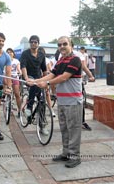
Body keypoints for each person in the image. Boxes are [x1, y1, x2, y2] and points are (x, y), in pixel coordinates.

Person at [27, 36, 83, 168]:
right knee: (64, 129)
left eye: (65, 44)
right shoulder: (60, 61)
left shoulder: (75, 59)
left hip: (73, 101)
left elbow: (63, 77)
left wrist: (46, 83)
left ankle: (75, 156)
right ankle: (66, 153)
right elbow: (51, 75)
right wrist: (34, 81)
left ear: (71, 45)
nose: (62, 46)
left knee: (73, 129)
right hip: (62, 101)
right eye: (59, 44)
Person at [20, 35, 47, 123]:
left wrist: (45, 81)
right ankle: (29, 107)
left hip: (38, 78)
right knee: (33, 86)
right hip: (28, 77)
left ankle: (42, 122)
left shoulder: (41, 55)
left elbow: (44, 69)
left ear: (38, 44)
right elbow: (23, 66)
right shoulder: (25, 53)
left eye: (35, 42)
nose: (33, 44)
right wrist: (27, 78)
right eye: (31, 42)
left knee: (42, 100)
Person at [6, 48, 22, 118]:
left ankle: (19, 110)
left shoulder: (16, 61)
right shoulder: (5, 60)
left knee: (17, 94)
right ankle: (7, 102)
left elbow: (18, 69)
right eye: (8, 52)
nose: (9, 53)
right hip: (7, 78)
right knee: (6, 92)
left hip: (15, 77)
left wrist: (20, 72)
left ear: (13, 53)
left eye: (11, 52)